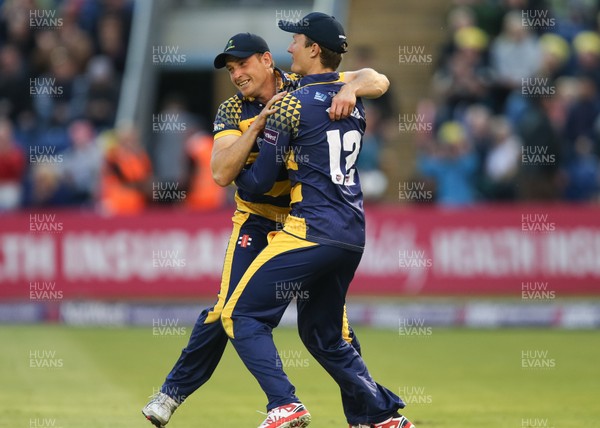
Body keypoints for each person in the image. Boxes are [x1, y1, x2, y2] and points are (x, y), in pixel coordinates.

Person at [142, 32, 390, 428]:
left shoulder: (299, 86)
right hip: (256, 220)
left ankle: (368, 416)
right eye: (230, 69)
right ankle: (172, 394)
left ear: (266, 60)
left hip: (303, 220)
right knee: (227, 309)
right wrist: (259, 125)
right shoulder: (230, 111)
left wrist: (353, 86)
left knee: (333, 331)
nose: (237, 74)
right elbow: (222, 172)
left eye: (242, 64)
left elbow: (378, 79)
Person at [221, 13, 413, 428]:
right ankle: (380, 417)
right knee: (323, 336)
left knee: (239, 315)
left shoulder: (289, 104)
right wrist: (349, 84)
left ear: (313, 49)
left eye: (297, 40)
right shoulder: (353, 98)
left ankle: (285, 404)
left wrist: (251, 140)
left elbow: (256, 184)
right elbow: (374, 79)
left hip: (311, 230)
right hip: (353, 233)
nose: (289, 46)